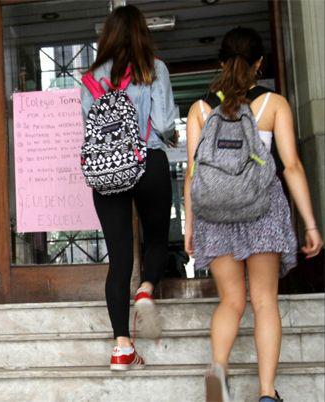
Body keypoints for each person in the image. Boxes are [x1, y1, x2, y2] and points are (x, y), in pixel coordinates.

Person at [184, 27, 323, 402]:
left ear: (221, 63)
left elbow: (193, 173)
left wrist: (190, 224)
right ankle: (265, 394)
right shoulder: (273, 104)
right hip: (263, 210)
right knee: (264, 301)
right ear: (260, 63)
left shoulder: (199, 109)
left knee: (231, 300)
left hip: (214, 213)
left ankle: (217, 381)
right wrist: (310, 224)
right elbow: (291, 166)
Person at [80, 4, 178, 370]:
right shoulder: (154, 68)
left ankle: (121, 346)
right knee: (155, 239)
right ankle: (147, 289)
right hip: (148, 160)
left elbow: (89, 130)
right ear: (142, 33)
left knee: (118, 258)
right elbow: (165, 122)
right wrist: (171, 136)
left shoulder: (90, 79)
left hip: (106, 170)